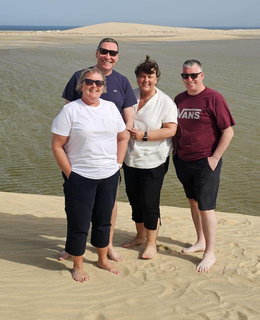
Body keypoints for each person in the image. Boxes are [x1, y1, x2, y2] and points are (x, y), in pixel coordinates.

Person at [59, 37, 137, 262]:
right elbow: (68, 114)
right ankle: (72, 248)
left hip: (108, 162)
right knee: (76, 208)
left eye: (113, 53)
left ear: (117, 57)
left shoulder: (122, 82)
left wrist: (118, 160)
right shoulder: (79, 76)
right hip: (79, 161)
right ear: (96, 53)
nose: (108, 56)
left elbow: (128, 120)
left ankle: (107, 245)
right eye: (104, 51)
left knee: (108, 205)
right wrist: (69, 167)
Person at [51, 68, 130, 282]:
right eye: (89, 82)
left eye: (98, 83)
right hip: (80, 177)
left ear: (103, 87)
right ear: (81, 85)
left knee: (104, 221)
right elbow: (57, 145)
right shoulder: (70, 111)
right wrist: (71, 174)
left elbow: (123, 137)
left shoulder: (111, 108)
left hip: (108, 175)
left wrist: (118, 163)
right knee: (80, 222)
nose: (93, 86)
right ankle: (78, 265)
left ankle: (102, 259)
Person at [172, 59, 235, 273]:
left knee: (207, 208)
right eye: (185, 76)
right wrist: (174, 152)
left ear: (202, 75)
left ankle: (210, 253)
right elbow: (173, 128)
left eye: (193, 75)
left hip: (206, 162)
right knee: (193, 202)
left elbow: (228, 131)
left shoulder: (214, 98)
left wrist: (215, 158)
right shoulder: (179, 99)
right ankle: (200, 240)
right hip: (183, 160)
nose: (189, 80)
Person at [122, 56, 178, 259]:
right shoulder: (130, 96)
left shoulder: (165, 102)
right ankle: (139, 236)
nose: (146, 80)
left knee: (149, 202)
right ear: (137, 78)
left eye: (150, 76)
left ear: (156, 78)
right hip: (130, 159)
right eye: (142, 76)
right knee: (134, 200)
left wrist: (144, 136)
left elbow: (171, 130)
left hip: (154, 160)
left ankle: (152, 243)